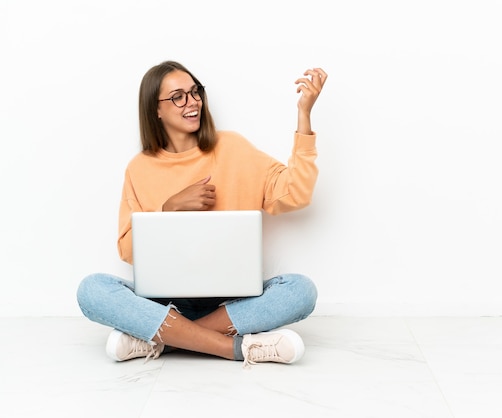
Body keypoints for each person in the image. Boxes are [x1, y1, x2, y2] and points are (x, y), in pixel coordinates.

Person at [76, 61, 327, 366]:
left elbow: (296, 193)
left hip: (232, 303)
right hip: (165, 303)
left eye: (195, 92)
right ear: (155, 109)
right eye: (178, 96)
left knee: (301, 291)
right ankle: (235, 348)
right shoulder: (139, 168)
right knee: (92, 290)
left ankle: (160, 340)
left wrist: (304, 116)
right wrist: (169, 210)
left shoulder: (233, 147)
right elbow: (128, 251)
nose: (192, 102)